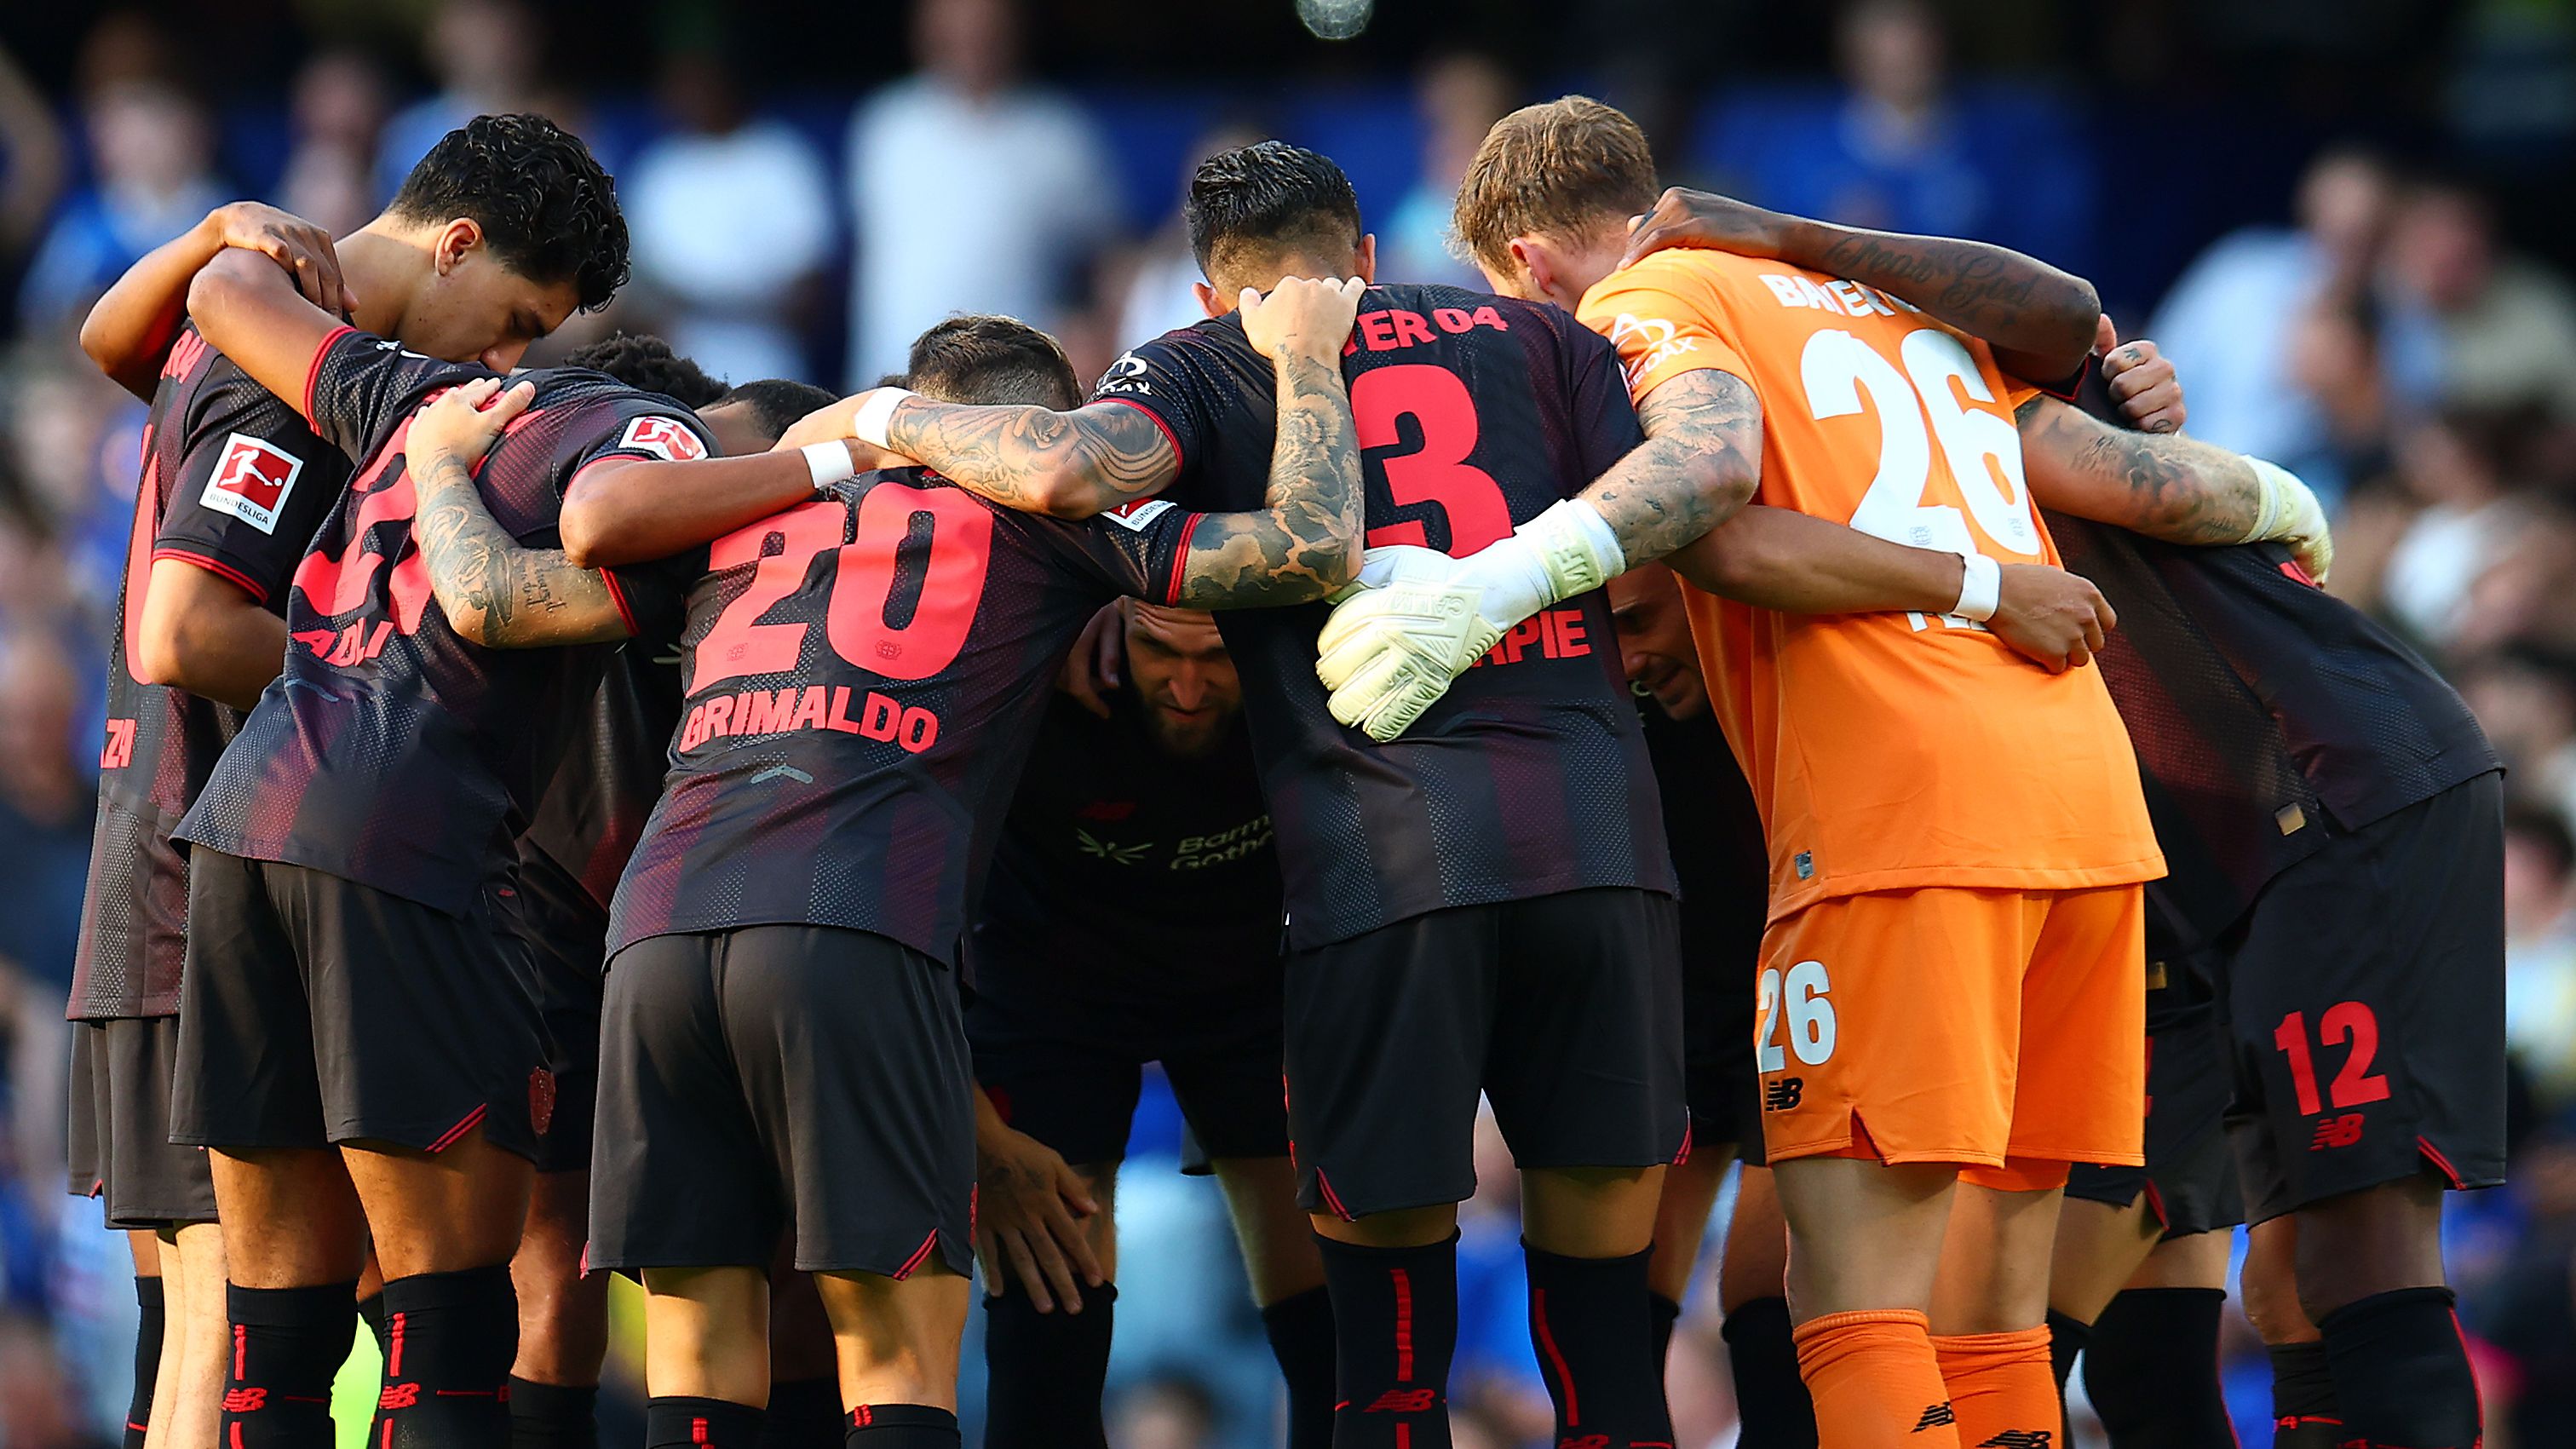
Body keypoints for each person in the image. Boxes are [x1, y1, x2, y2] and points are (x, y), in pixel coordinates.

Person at [843, 138, 1761, 1449]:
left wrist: (875, 422)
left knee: (1384, 1372)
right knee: (1609, 1347)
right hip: (1602, 853)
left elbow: (1065, 468)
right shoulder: (1543, 344)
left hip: (1385, 870)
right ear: (1369, 258)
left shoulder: (1201, 361)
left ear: (1211, 291)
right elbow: (1683, 505)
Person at [400, 290, 1367, 1449]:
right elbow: (1312, 538)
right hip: (852, 924)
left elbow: (495, 600)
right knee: (894, 1370)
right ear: (1035, 435)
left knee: (699, 1373)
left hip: (654, 940)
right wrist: (1310, 360)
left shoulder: (743, 514)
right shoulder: (1052, 525)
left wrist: (433, 470)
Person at [1445, 97, 2164, 1446]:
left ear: (1534, 259)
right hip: (2082, 799)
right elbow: (2071, 318)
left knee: (1852, 1296)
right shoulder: (1875, 288)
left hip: (1899, 809)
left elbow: (1713, 516)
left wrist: (1976, 586)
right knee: (1999, 1312)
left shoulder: (1645, 305)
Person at [155, 158, 853, 1448]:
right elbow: (531, 578)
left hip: (243, 820)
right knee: (451, 1322)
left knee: (280, 1333)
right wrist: (828, 466)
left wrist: (237, 226)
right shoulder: (658, 464)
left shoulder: (439, 395)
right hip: (408, 834)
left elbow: (229, 290)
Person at [60, 113, 632, 1449]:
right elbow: (185, 631)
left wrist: (208, 237)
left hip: (215, 859)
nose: (504, 362)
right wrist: (392, 679)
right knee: (220, 1322)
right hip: (192, 868)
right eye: (511, 319)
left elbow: (107, 344)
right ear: (456, 241)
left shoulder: (267, 323)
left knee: (274, 1324)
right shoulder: (294, 376)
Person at [966, 597, 1331, 1449]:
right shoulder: (1029, 649)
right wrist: (1047, 618)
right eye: (1163, 653)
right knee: (1043, 1329)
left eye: (1219, 659)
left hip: (1249, 974)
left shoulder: (1314, 657)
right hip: (1052, 967)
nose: (1192, 688)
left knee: (1329, 1331)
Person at [842, 0, 1118, 383]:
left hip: (1012, 387)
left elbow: (1104, 260)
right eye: (956, 25)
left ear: (1015, 31)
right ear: (926, 32)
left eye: (988, 26)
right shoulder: (887, 124)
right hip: (891, 376)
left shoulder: (1057, 133)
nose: (972, 39)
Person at [624, 48, 837, 383]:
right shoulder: (656, 171)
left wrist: (706, 300)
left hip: (768, 383)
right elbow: (632, 299)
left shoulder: (782, 160)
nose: (688, 94)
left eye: (700, 79)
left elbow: (809, 303)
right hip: (673, 387)